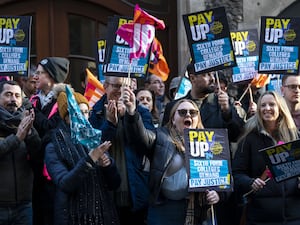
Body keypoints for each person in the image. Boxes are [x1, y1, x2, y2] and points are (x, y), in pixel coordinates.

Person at [122, 86, 222, 225]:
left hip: (194, 209)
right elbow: (140, 137)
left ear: (198, 119)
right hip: (163, 210)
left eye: (193, 112)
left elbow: (223, 176)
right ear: (173, 119)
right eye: (182, 112)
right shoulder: (160, 136)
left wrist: (218, 194)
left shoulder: (210, 141)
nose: (188, 115)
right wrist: (132, 112)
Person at [44, 85, 121, 225]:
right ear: (66, 117)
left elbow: (115, 183)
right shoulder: (53, 146)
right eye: (78, 113)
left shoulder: (94, 138)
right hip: (73, 217)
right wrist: (90, 159)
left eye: (86, 112)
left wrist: (108, 166)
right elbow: (65, 183)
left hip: (102, 215)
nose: (83, 117)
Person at [89, 76, 155, 225]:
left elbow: (147, 144)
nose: (121, 91)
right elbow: (94, 147)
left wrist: (131, 116)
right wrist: (110, 124)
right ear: (105, 86)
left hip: (135, 191)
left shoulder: (141, 112)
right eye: (117, 86)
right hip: (106, 193)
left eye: (126, 87)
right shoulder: (96, 112)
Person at [232, 91, 300, 225]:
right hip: (260, 217)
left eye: (271, 104)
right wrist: (251, 182)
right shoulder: (249, 139)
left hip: (294, 216)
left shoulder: (295, 136)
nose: (267, 108)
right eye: (263, 105)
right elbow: (237, 174)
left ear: (280, 109)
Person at [30, 57, 70, 225]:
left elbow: (51, 127)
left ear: (52, 77)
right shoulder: (34, 99)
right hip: (33, 168)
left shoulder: (64, 100)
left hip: (53, 170)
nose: (35, 76)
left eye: (40, 73)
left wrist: (31, 111)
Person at [0, 80, 41, 225]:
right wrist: (17, 138)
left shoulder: (25, 122)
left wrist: (30, 134)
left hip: (24, 206)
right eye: (8, 95)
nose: (13, 100)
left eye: (17, 96)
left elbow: (38, 156)